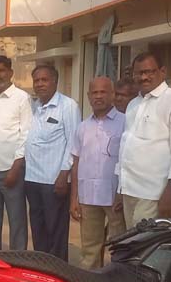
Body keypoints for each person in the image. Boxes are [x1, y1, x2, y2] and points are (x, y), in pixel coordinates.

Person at [24, 65, 80, 261]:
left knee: (56, 232)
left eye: (44, 80)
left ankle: (58, 273)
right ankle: (43, 270)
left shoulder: (68, 106)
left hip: (54, 180)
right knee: (38, 229)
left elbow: (74, 143)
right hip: (31, 179)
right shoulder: (34, 106)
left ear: (55, 81)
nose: (40, 84)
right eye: (36, 80)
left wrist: (64, 175)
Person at [70, 77, 126, 269]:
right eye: (95, 92)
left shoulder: (125, 123)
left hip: (115, 197)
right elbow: (76, 163)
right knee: (90, 249)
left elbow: (128, 160)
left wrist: (122, 192)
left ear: (112, 95)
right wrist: (74, 199)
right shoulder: (83, 127)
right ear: (88, 96)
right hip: (88, 197)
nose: (99, 96)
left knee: (121, 246)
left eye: (103, 92)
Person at [0, 55, 32, 251]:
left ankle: (19, 262)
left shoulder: (21, 98)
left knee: (17, 220)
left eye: (1, 70)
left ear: (10, 72)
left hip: (11, 171)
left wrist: (16, 167)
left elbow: (26, 134)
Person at [119, 52, 171, 227]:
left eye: (149, 72)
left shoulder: (168, 100)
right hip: (129, 190)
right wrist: (121, 187)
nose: (143, 77)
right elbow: (126, 145)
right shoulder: (134, 104)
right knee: (132, 246)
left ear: (162, 71)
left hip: (153, 193)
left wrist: (169, 193)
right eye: (138, 73)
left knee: (147, 248)